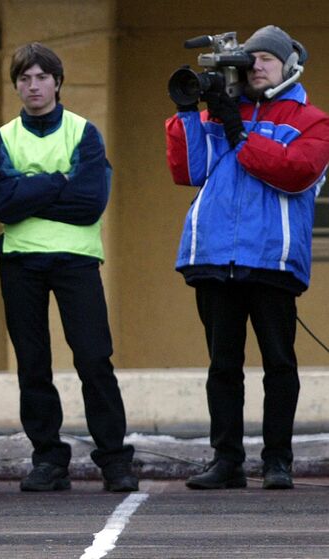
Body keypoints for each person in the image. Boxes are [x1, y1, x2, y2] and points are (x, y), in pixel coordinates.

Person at [166, 25, 329, 490]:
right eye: (250, 59)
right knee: (223, 366)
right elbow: (189, 170)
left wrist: (239, 132)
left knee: (279, 363)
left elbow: (295, 173)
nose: (256, 66)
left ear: (288, 66)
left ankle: (278, 461)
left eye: (266, 60)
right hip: (214, 253)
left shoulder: (312, 120)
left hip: (271, 258)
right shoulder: (222, 111)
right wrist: (187, 113)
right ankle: (227, 461)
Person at [0, 43, 138, 493]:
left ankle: (115, 461)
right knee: (33, 365)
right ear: (16, 85)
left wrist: (27, 192)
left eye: (41, 77)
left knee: (94, 359)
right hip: (20, 262)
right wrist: (58, 182)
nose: (33, 86)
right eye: (24, 78)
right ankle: (48, 460)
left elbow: (90, 202)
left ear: (57, 82)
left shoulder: (83, 132)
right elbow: (0, 204)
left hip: (76, 261)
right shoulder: (2, 138)